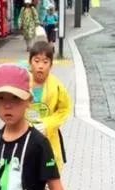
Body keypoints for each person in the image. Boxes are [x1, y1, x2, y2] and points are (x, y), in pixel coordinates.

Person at [27, 40, 72, 173]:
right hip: (25, 136)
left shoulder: (57, 86)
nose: (40, 66)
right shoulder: (22, 83)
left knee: (49, 177)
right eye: (36, 61)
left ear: (51, 65)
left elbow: (64, 110)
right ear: (30, 62)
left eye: (45, 62)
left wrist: (47, 124)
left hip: (48, 138)